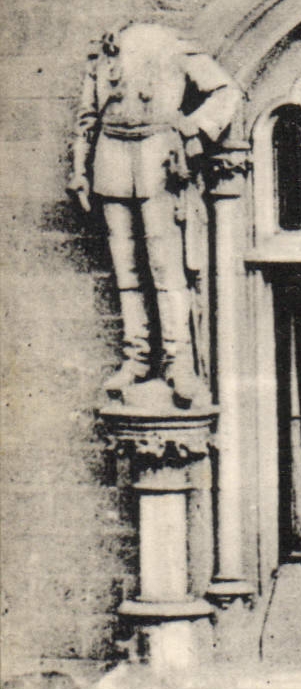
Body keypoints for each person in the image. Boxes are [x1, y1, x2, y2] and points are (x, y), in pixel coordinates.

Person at [69, 22, 242, 409]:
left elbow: (226, 91)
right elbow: (87, 118)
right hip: (111, 155)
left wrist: (193, 129)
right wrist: (80, 170)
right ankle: (137, 356)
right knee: (126, 269)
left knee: (166, 268)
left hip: (158, 153)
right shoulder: (101, 55)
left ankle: (177, 361)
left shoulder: (172, 46)